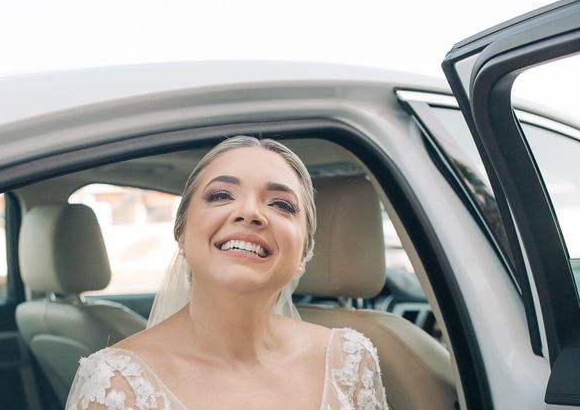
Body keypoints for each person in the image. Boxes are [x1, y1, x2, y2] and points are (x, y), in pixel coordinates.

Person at [66, 136, 388, 410]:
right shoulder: (114, 383)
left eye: (282, 204)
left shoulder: (350, 357)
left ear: (304, 250)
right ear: (181, 232)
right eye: (220, 196)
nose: (250, 212)